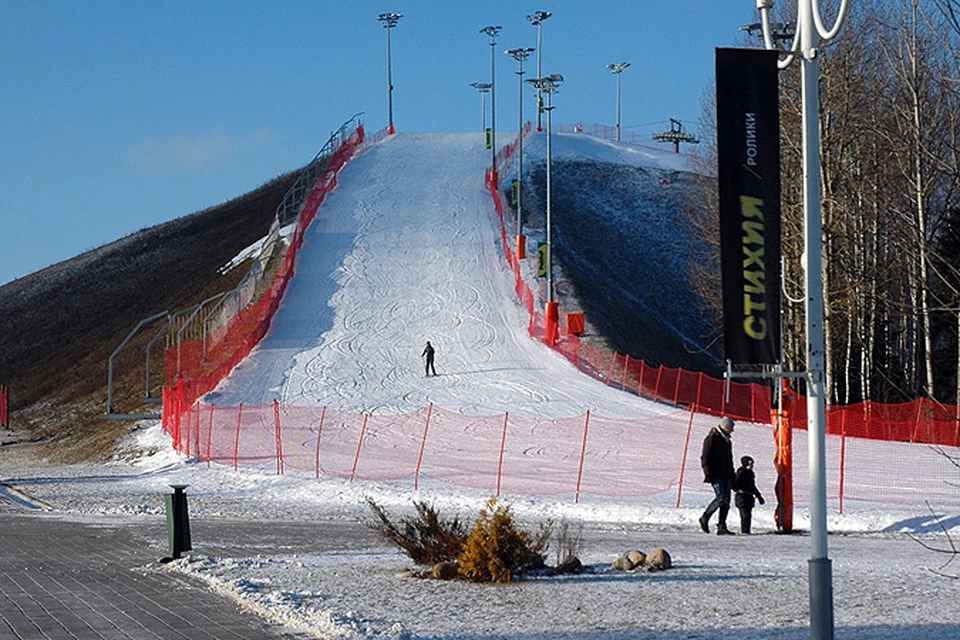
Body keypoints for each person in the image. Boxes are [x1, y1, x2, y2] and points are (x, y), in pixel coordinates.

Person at [698, 416, 736, 535]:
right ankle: (705, 517)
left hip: (727, 475)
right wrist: (707, 473)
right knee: (720, 498)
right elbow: (705, 457)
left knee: (726, 501)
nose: (732, 431)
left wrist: (732, 475)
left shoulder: (727, 441)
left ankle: (722, 526)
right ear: (725, 427)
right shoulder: (711, 438)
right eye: (731, 428)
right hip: (716, 474)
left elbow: (729, 459)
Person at [734, 456, 765, 535]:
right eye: (749, 464)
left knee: (748, 516)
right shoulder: (741, 472)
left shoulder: (750, 474)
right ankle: (744, 532)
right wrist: (737, 489)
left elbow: (753, 487)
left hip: (749, 498)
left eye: (752, 464)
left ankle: (747, 531)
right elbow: (735, 484)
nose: (751, 466)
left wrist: (759, 496)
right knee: (744, 516)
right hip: (742, 497)